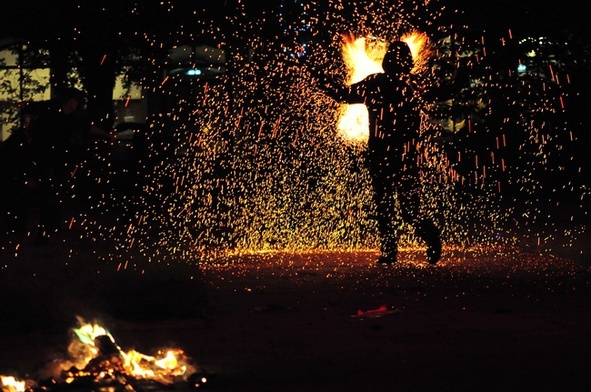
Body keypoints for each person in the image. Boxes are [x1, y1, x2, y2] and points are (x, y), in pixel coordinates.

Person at [317, 41, 442, 264]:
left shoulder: (376, 82)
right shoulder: (411, 84)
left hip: (385, 155)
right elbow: (439, 93)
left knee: (387, 205)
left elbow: (343, 94)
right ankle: (427, 239)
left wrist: (321, 79)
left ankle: (393, 250)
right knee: (406, 208)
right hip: (405, 155)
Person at [20, 87, 113, 240]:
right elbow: (30, 112)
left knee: (50, 194)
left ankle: (49, 228)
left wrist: (107, 135)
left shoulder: (71, 117)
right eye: (76, 101)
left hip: (54, 159)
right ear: (71, 101)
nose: (77, 104)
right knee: (46, 194)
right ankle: (43, 231)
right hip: (42, 157)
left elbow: (87, 127)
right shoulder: (51, 112)